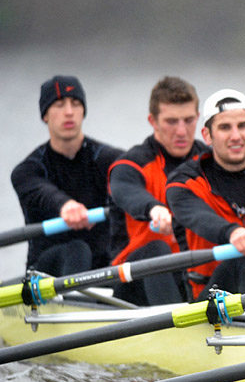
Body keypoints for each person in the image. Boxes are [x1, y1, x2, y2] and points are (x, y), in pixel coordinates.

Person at [166, 89, 245, 299]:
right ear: (207, 135)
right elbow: (198, 217)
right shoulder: (183, 183)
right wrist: (234, 232)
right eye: (224, 128)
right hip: (211, 297)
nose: (236, 136)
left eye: (242, 126)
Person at [107, 76, 208, 305]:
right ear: (153, 121)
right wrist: (154, 208)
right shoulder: (130, 165)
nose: (181, 131)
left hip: (191, 272)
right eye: (171, 121)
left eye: (188, 120)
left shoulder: (210, 162)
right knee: (157, 248)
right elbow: (125, 191)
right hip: (135, 282)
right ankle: (177, 332)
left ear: (198, 118)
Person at [11, 75, 121, 276]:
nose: (69, 112)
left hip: (102, 269)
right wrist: (65, 205)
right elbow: (43, 192)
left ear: (83, 112)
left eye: (76, 104)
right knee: (77, 249)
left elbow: (133, 177)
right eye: (59, 105)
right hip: (48, 271)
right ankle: (77, 303)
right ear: (45, 115)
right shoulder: (27, 170)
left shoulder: (111, 159)